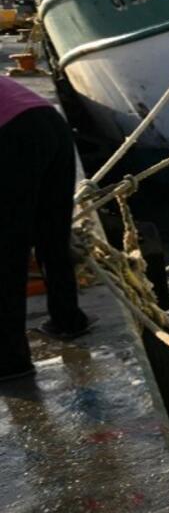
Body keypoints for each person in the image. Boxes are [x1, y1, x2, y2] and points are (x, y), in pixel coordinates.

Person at [1, 78, 91, 382]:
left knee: (8, 252)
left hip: (10, 135)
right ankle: (69, 320)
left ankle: (10, 360)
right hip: (51, 123)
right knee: (53, 235)